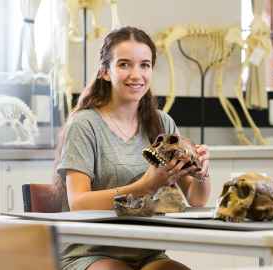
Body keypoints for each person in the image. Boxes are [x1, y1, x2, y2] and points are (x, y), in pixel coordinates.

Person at [53, 26, 211, 270]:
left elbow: (196, 200)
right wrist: (145, 186)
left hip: (147, 252)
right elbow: (79, 203)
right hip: (91, 253)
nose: (136, 74)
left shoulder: (162, 123)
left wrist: (201, 172)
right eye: (125, 64)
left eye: (145, 65)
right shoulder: (84, 125)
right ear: (105, 72)